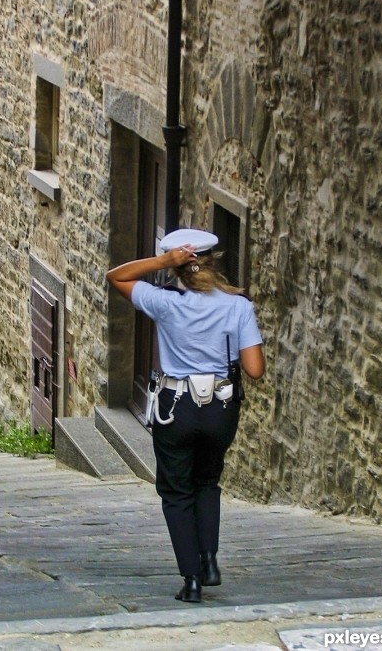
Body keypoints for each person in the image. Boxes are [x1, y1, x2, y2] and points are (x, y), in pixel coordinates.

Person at [106, 228, 265, 603]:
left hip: (176, 408)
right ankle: (209, 560)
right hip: (220, 410)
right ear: (214, 261)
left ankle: (191, 580)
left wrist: (163, 262)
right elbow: (255, 369)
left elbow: (117, 276)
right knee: (207, 483)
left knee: (177, 492)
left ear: (179, 266)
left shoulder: (164, 302)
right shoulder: (239, 306)